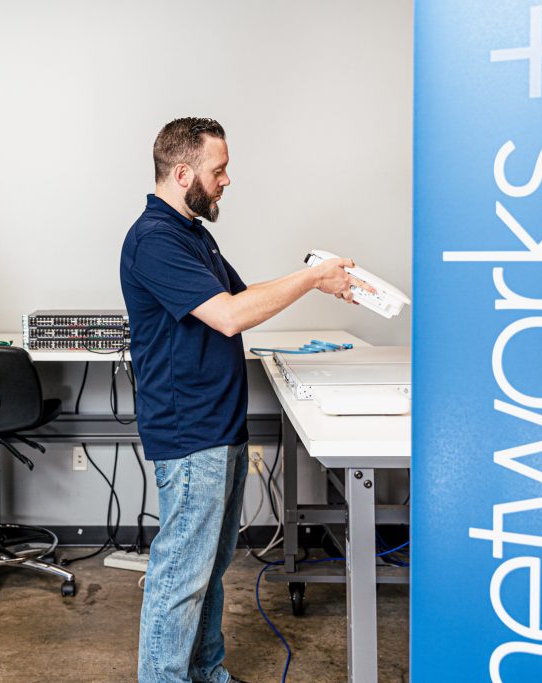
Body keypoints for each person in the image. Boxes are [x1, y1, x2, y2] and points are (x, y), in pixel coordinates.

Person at [119, 117, 368, 683]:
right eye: (218, 169)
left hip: (219, 427)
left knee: (209, 568)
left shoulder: (191, 233)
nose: (227, 179)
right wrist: (310, 280)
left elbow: (240, 294)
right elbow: (229, 317)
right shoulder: (154, 240)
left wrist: (314, 277)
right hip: (189, 433)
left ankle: (207, 671)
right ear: (183, 174)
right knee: (181, 573)